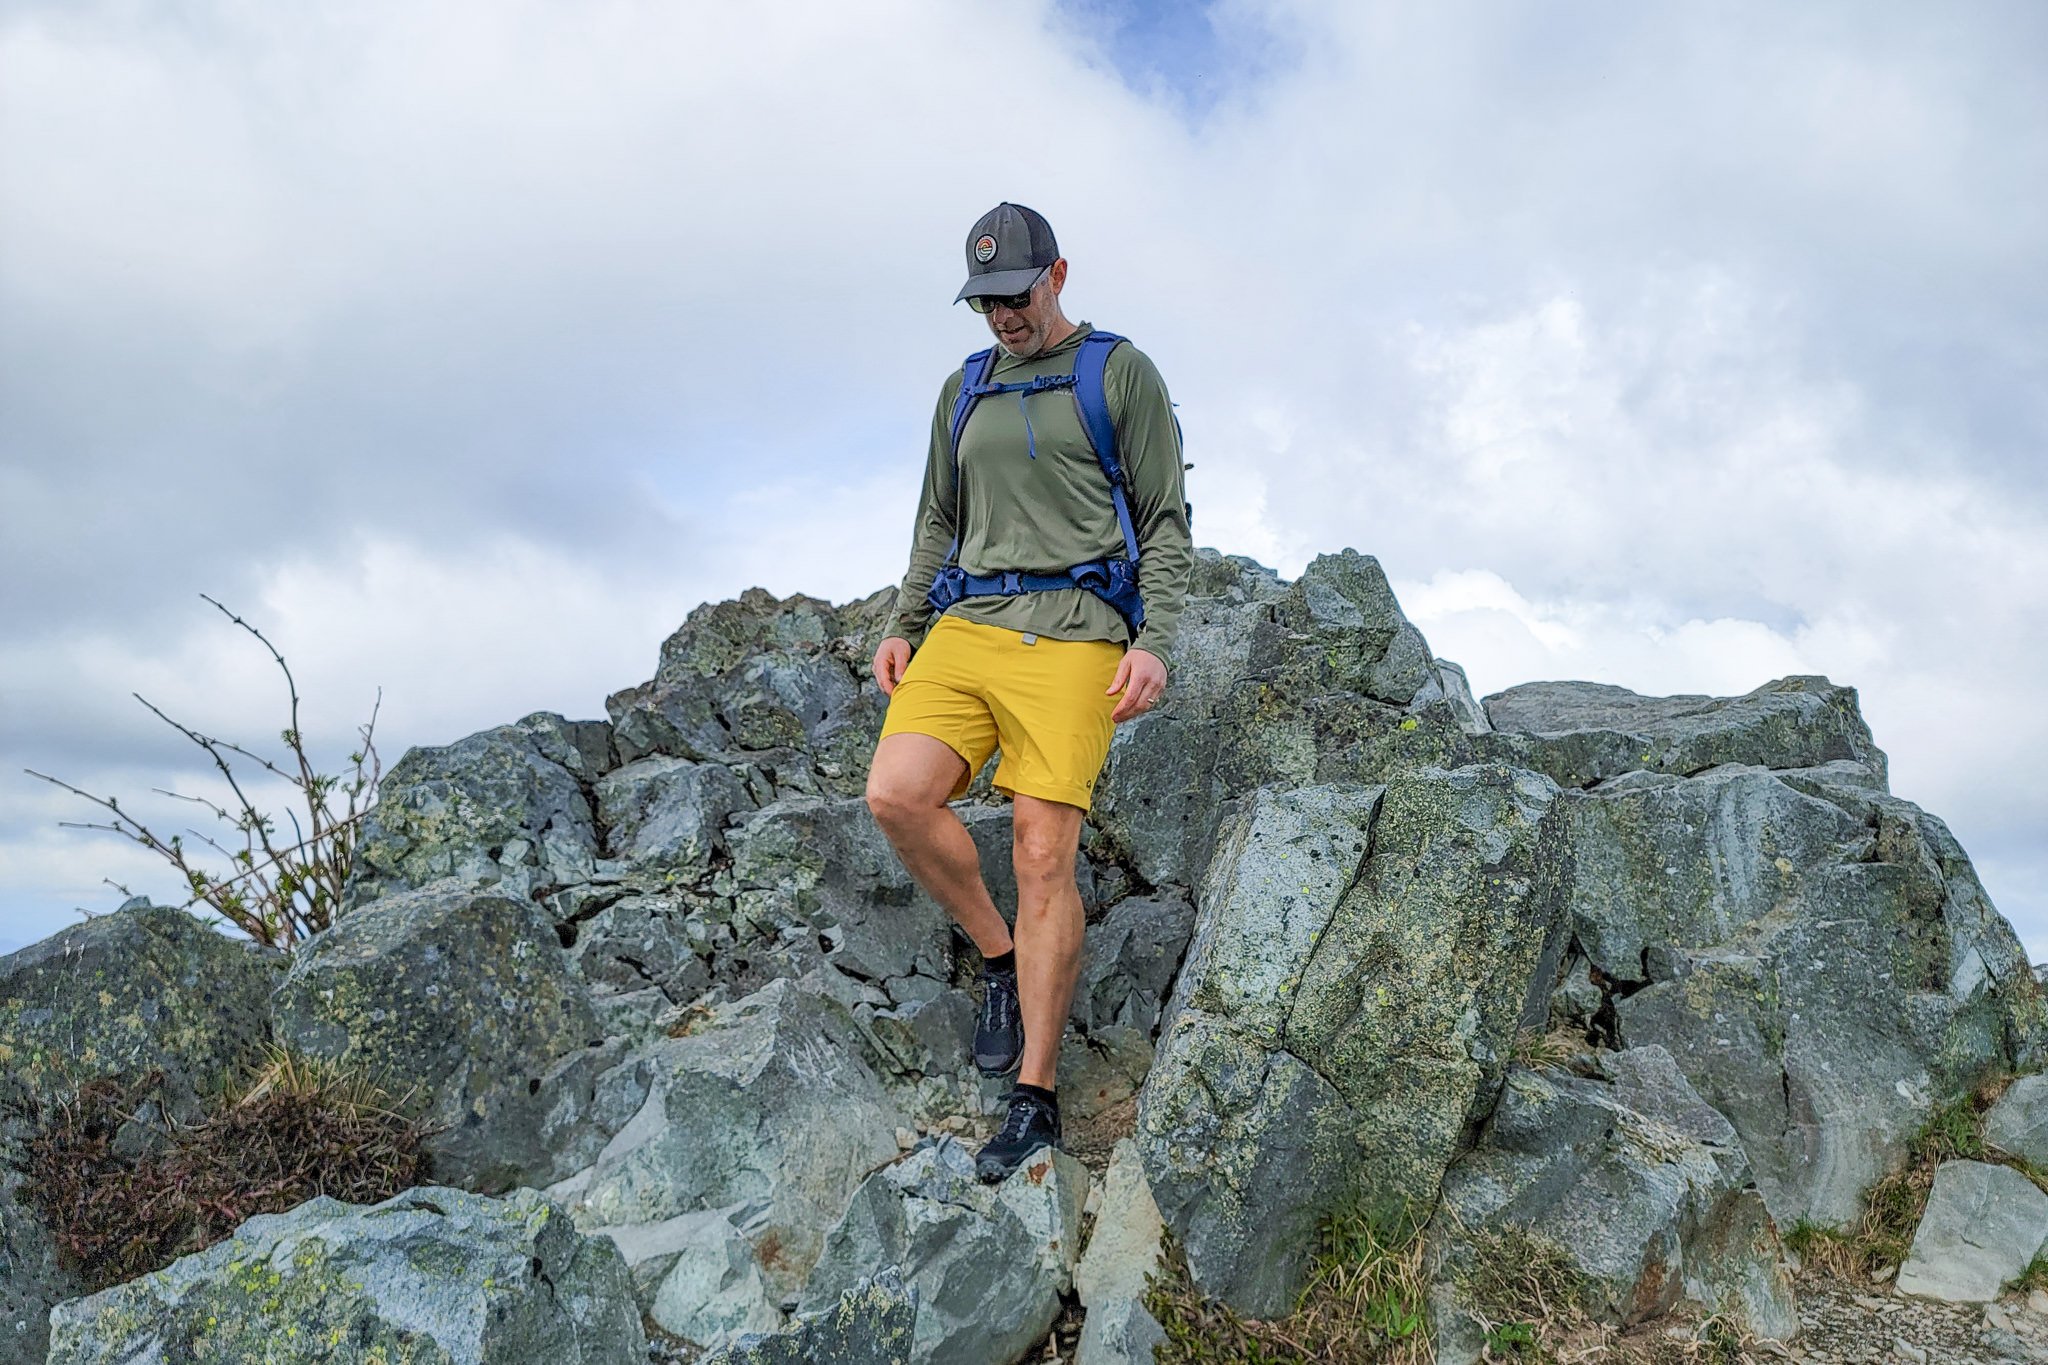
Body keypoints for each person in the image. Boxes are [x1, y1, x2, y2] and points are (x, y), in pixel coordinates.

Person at [864, 202, 1193, 1182]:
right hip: (967, 630)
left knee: (1044, 846)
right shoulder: (962, 388)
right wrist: (902, 620)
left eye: (1013, 295)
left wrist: (1154, 640)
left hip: (1077, 634)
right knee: (894, 795)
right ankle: (1001, 958)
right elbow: (936, 517)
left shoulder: (1116, 371)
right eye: (984, 302)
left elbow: (1165, 519)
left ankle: (1035, 1097)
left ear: (1055, 274)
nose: (1001, 318)